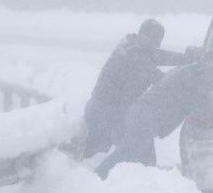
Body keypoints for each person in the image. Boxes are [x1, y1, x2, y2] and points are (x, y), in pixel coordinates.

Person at [95, 50, 213, 179]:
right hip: (146, 118)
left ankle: (136, 190)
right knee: (126, 154)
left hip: (140, 113)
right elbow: (200, 107)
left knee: (146, 163)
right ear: (209, 63)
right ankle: (97, 179)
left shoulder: (190, 70)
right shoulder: (201, 76)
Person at [82, 19, 199, 157]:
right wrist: (188, 83)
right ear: (142, 35)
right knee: (140, 152)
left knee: (97, 155)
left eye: (159, 40)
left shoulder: (135, 47)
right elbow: (159, 79)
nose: (157, 43)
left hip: (108, 108)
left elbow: (161, 56)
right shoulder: (133, 54)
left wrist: (188, 59)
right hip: (107, 111)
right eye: (153, 38)